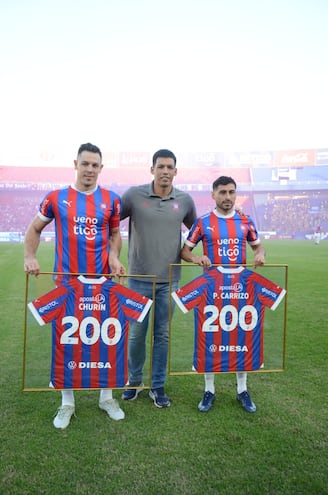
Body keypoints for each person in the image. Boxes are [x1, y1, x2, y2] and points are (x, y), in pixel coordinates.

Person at [24, 142, 126, 429]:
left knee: (106, 339)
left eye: (95, 165)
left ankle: (106, 397)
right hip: (67, 284)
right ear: (76, 164)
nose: (90, 169)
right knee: (67, 342)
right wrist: (29, 256)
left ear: (101, 168)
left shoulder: (112, 200)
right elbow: (34, 228)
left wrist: (114, 257)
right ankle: (67, 403)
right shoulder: (56, 198)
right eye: (86, 164)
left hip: (103, 285)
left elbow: (115, 235)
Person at [180, 176, 265, 413]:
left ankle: (242, 390)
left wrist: (260, 254)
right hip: (211, 293)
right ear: (213, 195)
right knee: (210, 338)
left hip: (241, 292)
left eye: (231, 192)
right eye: (222, 192)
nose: (228, 197)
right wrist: (197, 258)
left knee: (242, 337)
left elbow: (258, 246)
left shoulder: (245, 221)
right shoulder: (202, 222)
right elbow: (185, 251)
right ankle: (209, 391)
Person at [120, 149, 197, 407]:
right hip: (138, 279)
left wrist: (191, 253)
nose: (165, 171)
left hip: (169, 281)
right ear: (151, 169)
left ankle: (158, 386)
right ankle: (134, 381)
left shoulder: (184, 201)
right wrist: (110, 253)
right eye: (160, 166)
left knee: (162, 335)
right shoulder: (133, 196)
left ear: (176, 171)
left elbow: (199, 232)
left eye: (170, 167)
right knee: (136, 335)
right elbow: (109, 222)